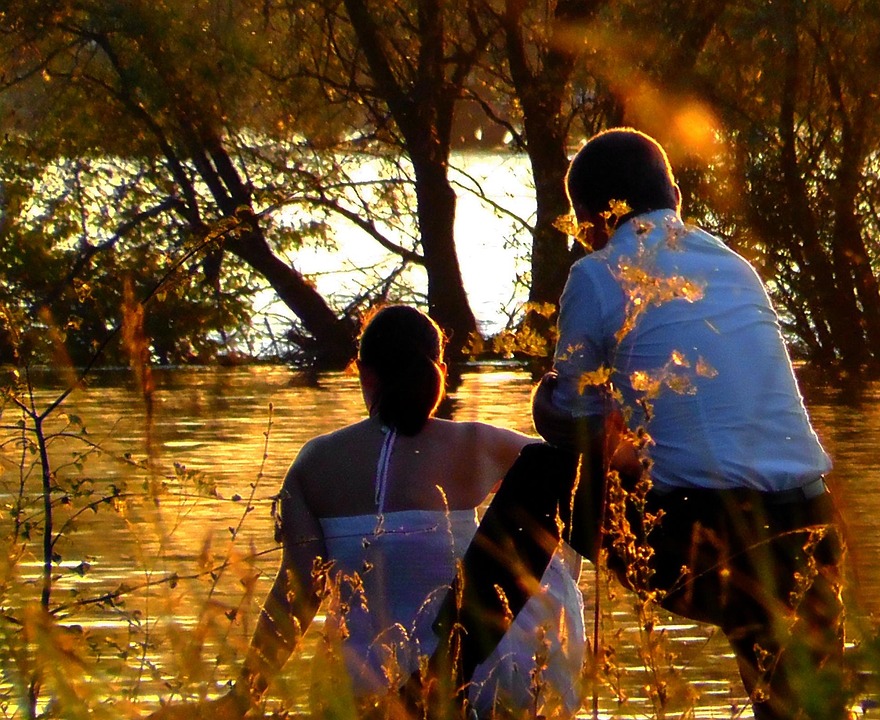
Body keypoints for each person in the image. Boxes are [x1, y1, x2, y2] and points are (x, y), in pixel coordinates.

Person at [428, 128, 847, 720]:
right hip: (811, 528)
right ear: (675, 195)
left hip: (711, 539)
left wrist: (553, 396)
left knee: (540, 477)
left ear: (592, 220)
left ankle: (435, 687)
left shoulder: (598, 274)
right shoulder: (736, 267)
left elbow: (569, 417)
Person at [195, 305, 586, 719]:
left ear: (364, 373)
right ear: (439, 370)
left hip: (356, 689)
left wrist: (244, 696)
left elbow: (295, 598)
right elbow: (577, 474)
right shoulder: (479, 445)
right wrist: (550, 412)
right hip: (470, 684)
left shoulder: (314, 463)